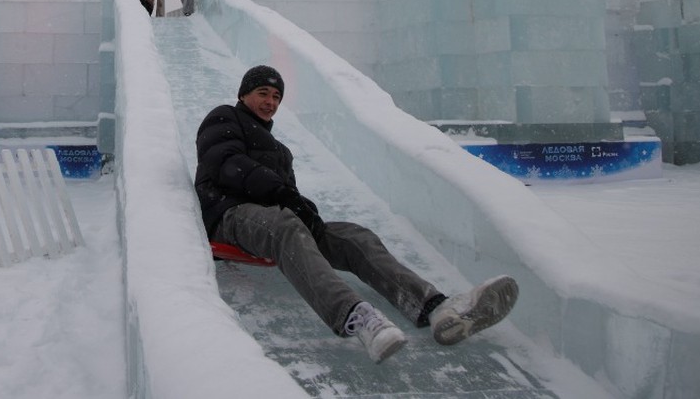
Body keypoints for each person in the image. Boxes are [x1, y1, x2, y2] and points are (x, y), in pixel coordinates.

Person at [194, 65, 519, 364]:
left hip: (272, 220)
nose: (270, 101)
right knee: (286, 224)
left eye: (276, 96)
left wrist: (303, 209)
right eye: (262, 93)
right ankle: (356, 317)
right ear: (243, 94)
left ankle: (434, 307)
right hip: (229, 215)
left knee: (354, 237)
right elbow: (225, 164)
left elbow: (285, 195)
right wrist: (281, 195)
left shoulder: (281, 151)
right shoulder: (224, 118)